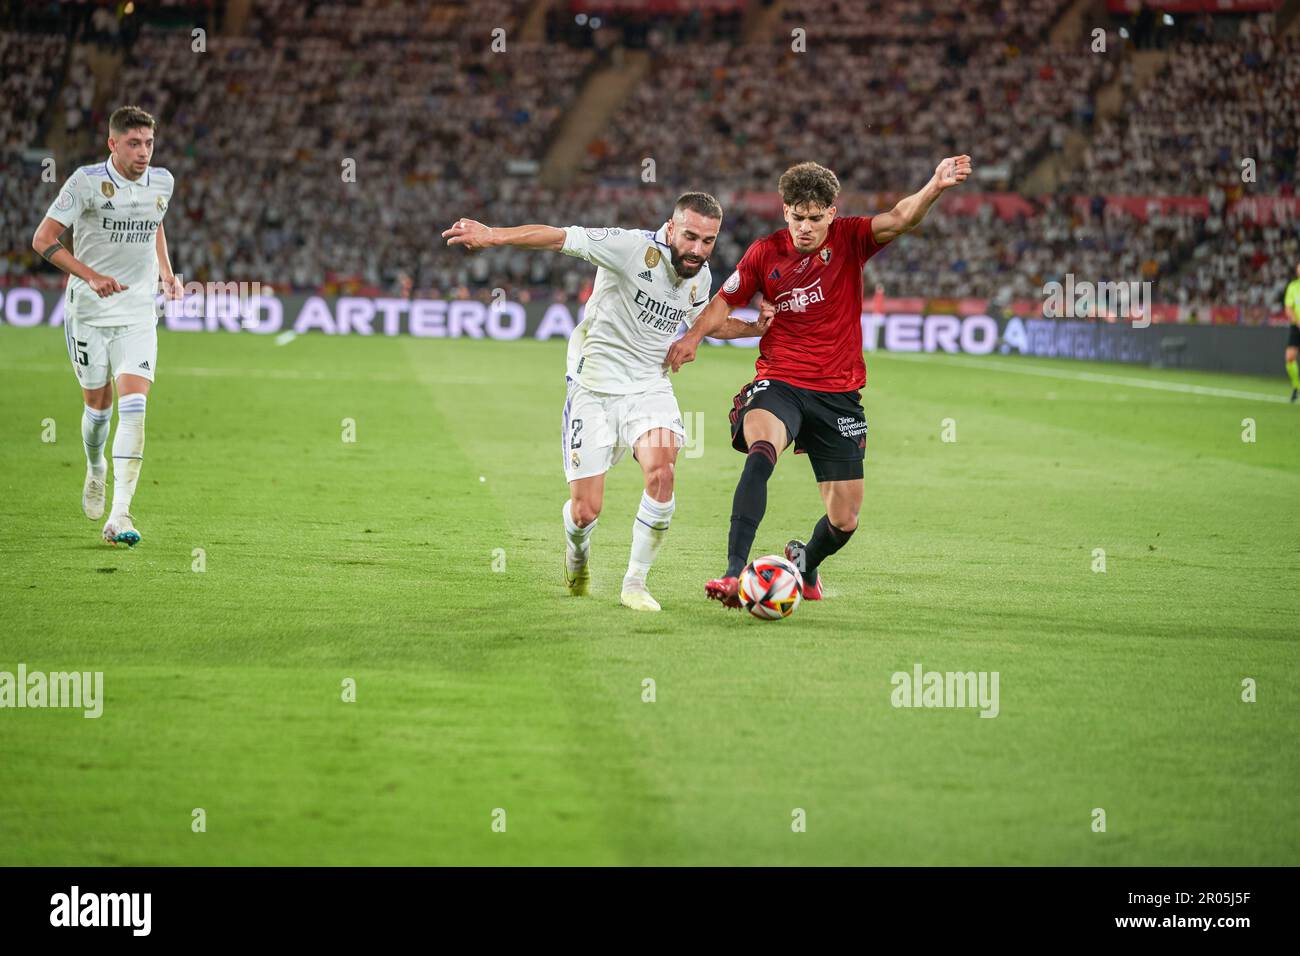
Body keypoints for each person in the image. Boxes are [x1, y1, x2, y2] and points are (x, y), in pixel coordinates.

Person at [665, 157, 972, 607]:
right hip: (781, 381)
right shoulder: (764, 252)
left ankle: (805, 562)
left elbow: (902, 217)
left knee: (845, 519)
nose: (805, 227)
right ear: (784, 210)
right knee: (761, 452)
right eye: (797, 216)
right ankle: (733, 574)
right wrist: (693, 337)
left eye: (814, 218)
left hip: (839, 394)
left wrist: (935, 185)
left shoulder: (852, 238)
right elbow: (722, 302)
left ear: (832, 212)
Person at [443, 193, 772, 610]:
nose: (697, 249)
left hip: (649, 387)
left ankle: (635, 583)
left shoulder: (700, 277)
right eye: (690, 237)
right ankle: (577, 555)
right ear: (671, 228)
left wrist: (754, 328)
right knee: (585, 512)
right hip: (594, 388)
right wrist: (494, 236)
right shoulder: (630, 248)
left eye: (708, 241)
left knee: (662, 472)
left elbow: (705, 322)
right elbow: (559, 238)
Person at [31, 105, 181, 546]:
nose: (144, 152)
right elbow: (43, 240)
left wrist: (167, 273)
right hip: (90, 315)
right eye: (134, 143)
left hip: (137, 313)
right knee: (98, 410)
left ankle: (120, 515)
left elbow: (154, 223)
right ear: (112, 144)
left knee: (135, 407)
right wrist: (89, 275)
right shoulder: (85, 183)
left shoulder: (163, 182)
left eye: (149, 143)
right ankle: (95, 467)